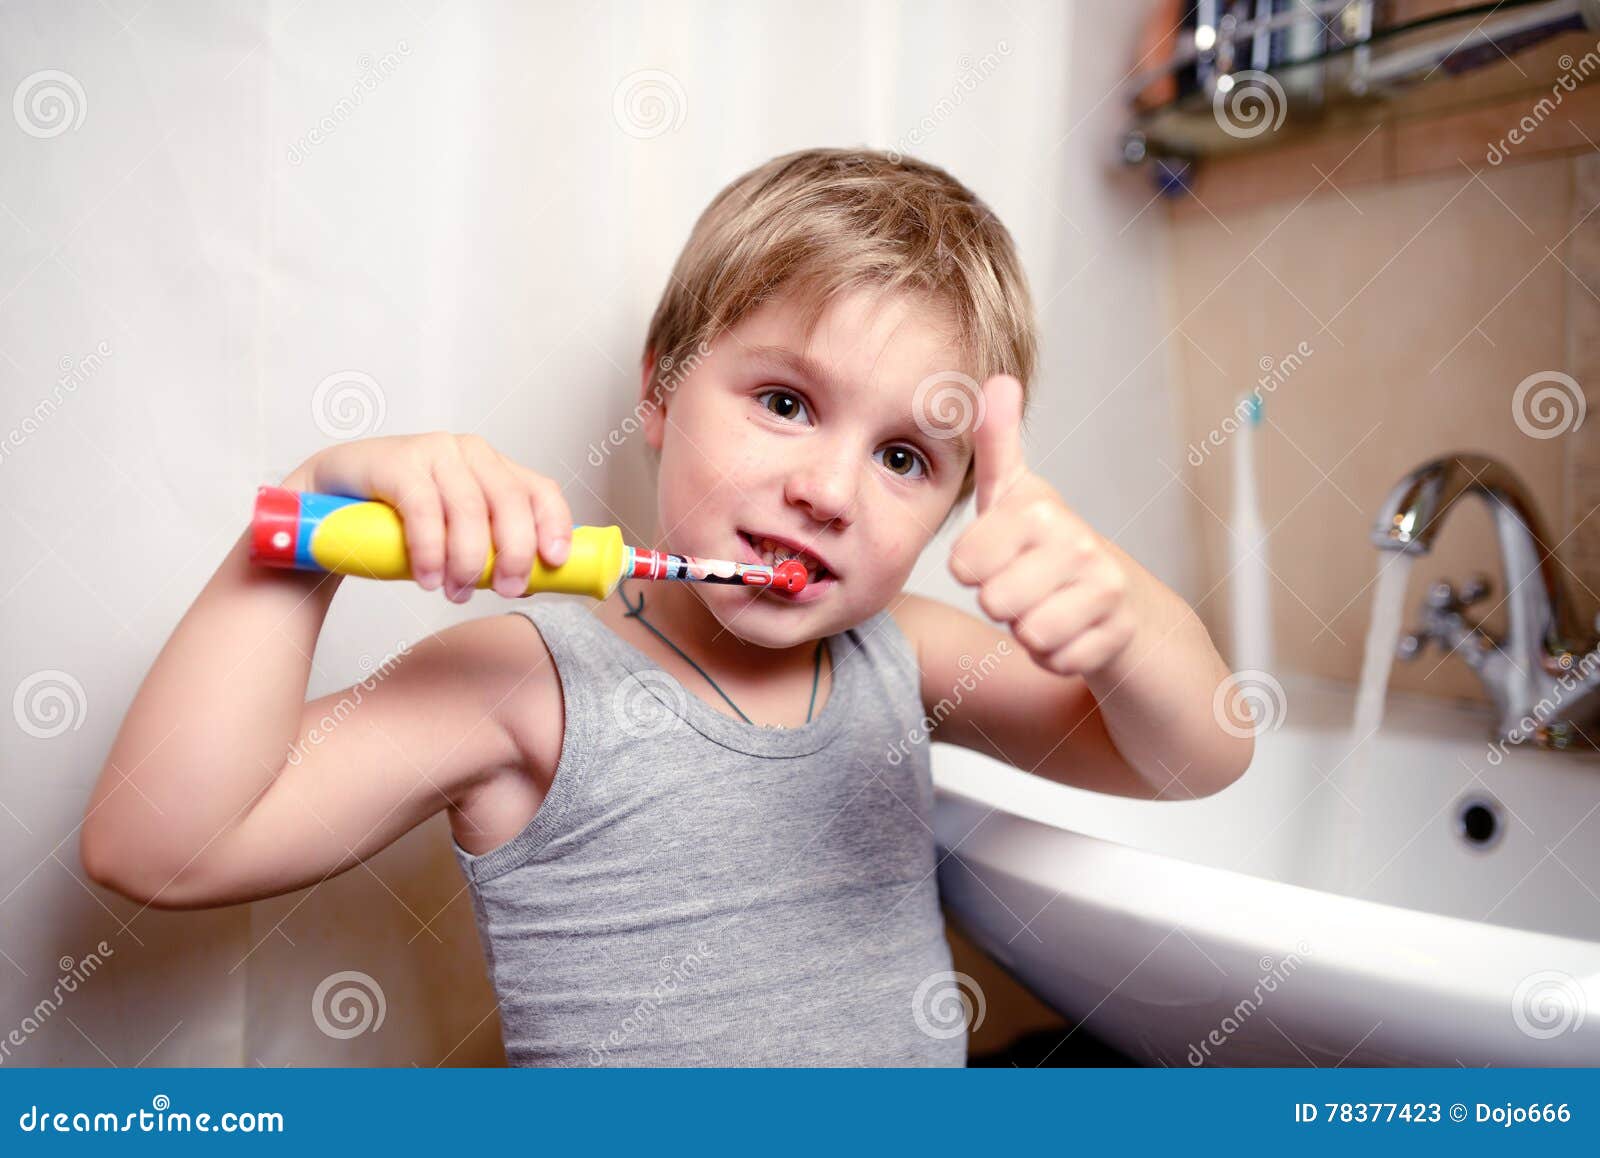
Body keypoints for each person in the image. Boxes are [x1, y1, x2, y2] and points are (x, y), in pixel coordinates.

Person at [82, 147, 1252, 1066]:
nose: (829, 490)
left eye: (904, 458)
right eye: (786, 402)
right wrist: (305, 529)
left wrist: (1127, 614)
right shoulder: (527, 683)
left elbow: (1193, 759)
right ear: (658, 389)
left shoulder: (900, 654)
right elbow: (158, 847)